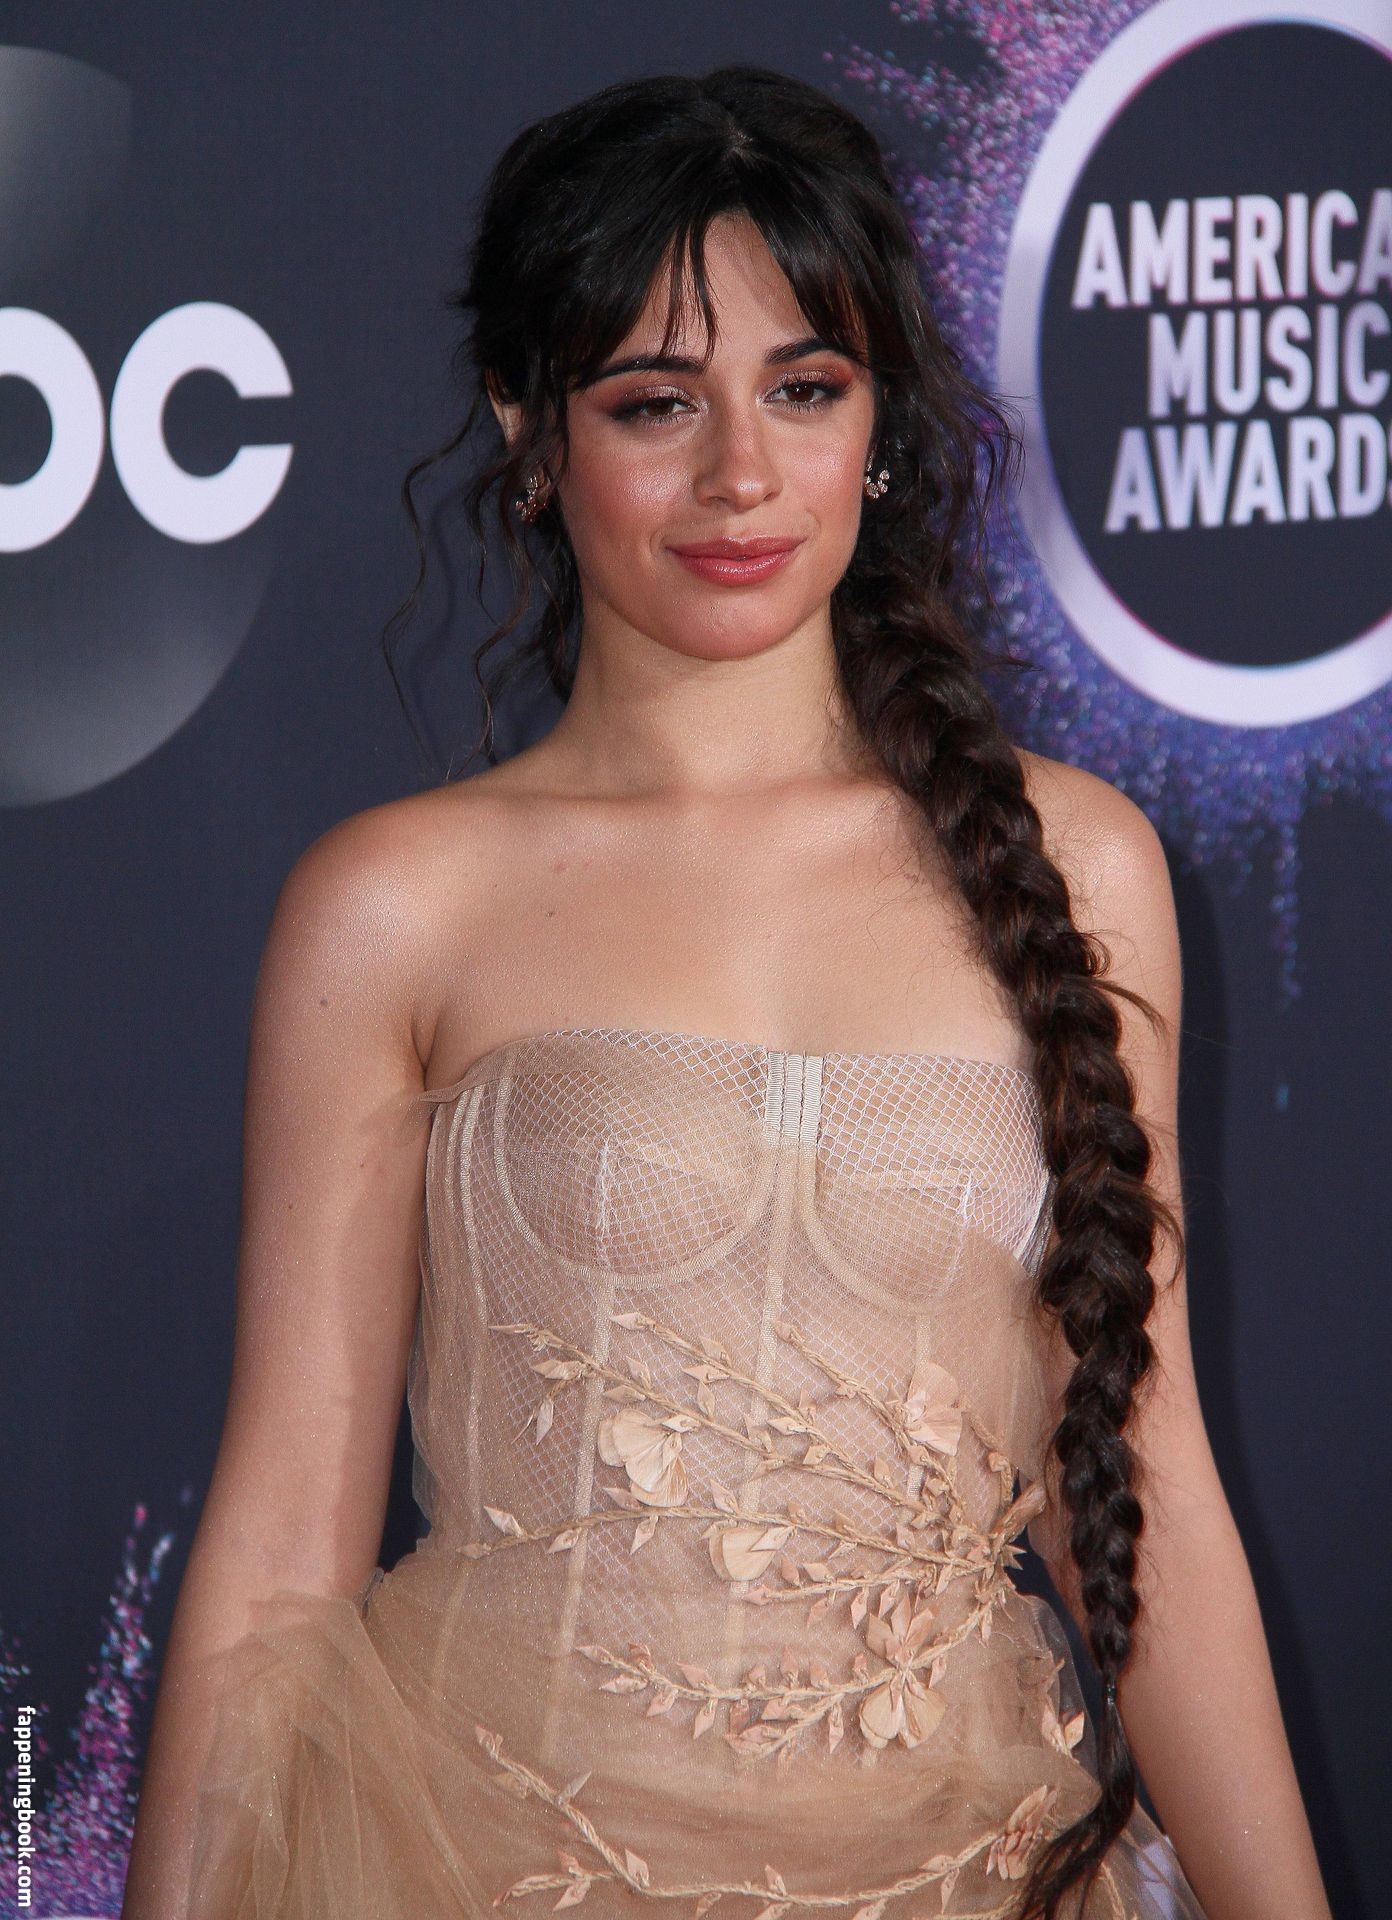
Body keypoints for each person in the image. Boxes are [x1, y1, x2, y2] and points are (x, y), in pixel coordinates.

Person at [120, 65, 1333, 1920]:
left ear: (879, 418)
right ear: (529, 426)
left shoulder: (1078, 867)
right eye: (655, 403)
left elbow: (1140, 1486)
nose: (741, 477)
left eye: (805, 389)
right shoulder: (394, 905)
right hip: (478, 1866)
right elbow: (285, 1542)